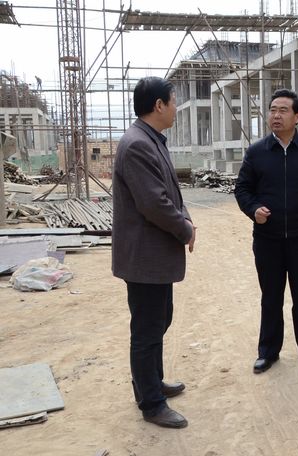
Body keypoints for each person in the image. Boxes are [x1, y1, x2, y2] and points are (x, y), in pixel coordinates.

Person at [112, 76, 196, 429]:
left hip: (155, 255)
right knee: (147, 331)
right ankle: (151, 403)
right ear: (159, 105)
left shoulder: (151, 140)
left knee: (160, 321)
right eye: (174, 102)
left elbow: (172, 193)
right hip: (145, 256)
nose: (176, 108)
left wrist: (185, 217)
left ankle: (152, 382)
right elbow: (155, 204)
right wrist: (185, 228)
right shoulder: (137, 145)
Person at [235, 89, 298, 374]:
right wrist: (254, 209)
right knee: (271, 297)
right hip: (268, 238)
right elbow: (242, 189)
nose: (275, 116)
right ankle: (268, 352)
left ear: (297, 116)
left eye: (283, 110)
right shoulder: (257, 152)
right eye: (272, 110)